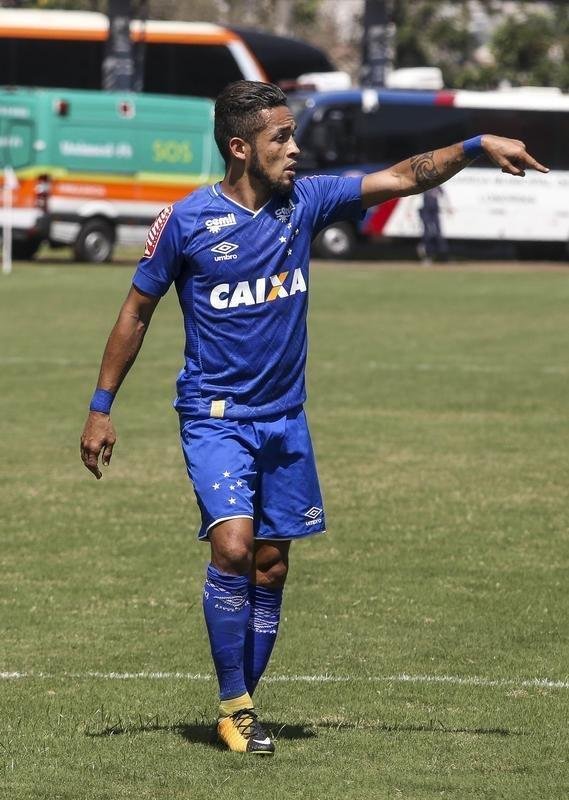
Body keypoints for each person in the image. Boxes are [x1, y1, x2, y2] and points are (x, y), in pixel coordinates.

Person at [80, 81, 547, 755]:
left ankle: (241, 704)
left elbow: (402, 176)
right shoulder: (185, 222)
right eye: (280, 138)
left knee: (270, 566)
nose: (295, 149)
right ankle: (235, 704)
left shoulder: (305, 203)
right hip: (215, 418)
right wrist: (101, 408)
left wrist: (476, 145)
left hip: (285, 421)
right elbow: (136, 312)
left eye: (294, 136)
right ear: (240, 148)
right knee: (234, 547)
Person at [417, 185, 450, 265]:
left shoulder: (437, 186)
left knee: (438, 234)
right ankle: (427, 256)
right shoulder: (424, 185)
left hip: (434, 211)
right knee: (427, 233)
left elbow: (444, 196)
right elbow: (413, 197)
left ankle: (442, 256)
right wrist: (408, 210)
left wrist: (448, 207)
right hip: (425, 211)